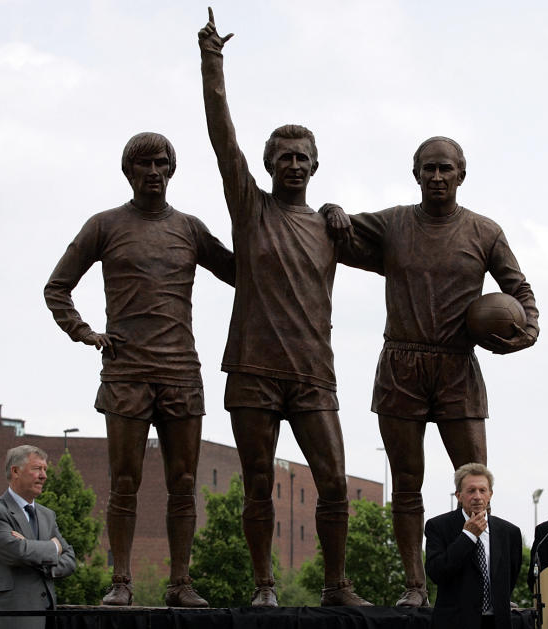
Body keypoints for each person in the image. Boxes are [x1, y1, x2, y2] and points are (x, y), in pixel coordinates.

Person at [198, 8, 372, 607]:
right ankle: (264, 586)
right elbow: (224, 138)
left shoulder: (331, 228)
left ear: (315, 165)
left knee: (333, 484)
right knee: (255, 485)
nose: (293, 163)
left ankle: (336, 584)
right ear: (270, 164)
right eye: (284, 156)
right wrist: (213, 64)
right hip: (252, 368)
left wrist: (344, 216)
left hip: (312, 371)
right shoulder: (250, 208)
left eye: (302, 156)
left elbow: (400, 252)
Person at [321, 136, 538, 606]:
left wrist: (521, 336)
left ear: (461, 174)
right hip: (402, 364)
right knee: (406, 484)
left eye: (445, 169)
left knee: (476, 481)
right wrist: (332, 209)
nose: (437, 177)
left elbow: (521, 294)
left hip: (458, 367)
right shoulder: (394, 223)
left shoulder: (485, 232)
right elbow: (337, 233)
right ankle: (415, 586)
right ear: (415, 174)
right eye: (428, 169)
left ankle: (485, 589)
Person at [44, 132, 234, 606]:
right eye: (144, 164)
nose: (153, 171)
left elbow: (243, 273)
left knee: (184, 484)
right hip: (126, 372)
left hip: (181, 372)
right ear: (129, 172)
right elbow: (57, 287)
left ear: (172, 170)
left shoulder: (190, 229)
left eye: (162, 163)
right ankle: (121, 581)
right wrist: (84, 331)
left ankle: (181, 583)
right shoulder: (104, 225)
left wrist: (268, 232)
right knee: (124, 481)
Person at [0, 445, 76, 629]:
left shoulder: (47, 515)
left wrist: (39, 559)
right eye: (37, 469)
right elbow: (17, 553)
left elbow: (70, 560)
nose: (44, 476)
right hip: (9, 620)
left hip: (46, 618)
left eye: (45, 470)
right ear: (15, 471)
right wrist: (53, 548)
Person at [425, 463, 522, 629]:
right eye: (471, 491)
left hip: (497, 622)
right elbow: (436, 572)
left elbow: (510, 577)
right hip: (455, 623)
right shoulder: (438, 526)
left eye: (482, 490)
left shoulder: (509, 532)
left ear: (490, 494)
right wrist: (468, 536)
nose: (477, 496)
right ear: (458, 495)